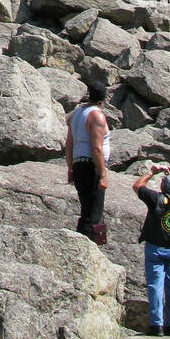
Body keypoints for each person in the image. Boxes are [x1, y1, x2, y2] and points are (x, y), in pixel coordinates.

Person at [134, 164, 170, 336]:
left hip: (156, 248)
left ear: (162, 187)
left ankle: (156, 325)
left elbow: (137, 186)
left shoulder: (156, 199)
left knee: (155, 286)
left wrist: (151, 172)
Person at [66, 84, 110, 245]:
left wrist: (70, 167)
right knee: (94, 214)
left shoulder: (77, 113)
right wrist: (103, 175)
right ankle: (89, 248)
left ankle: (80, 246)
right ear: (104, 97)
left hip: (79, 165)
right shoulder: (96, 116)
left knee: (86, 211)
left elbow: (69, 143)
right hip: (91, 167)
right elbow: (96, 148)